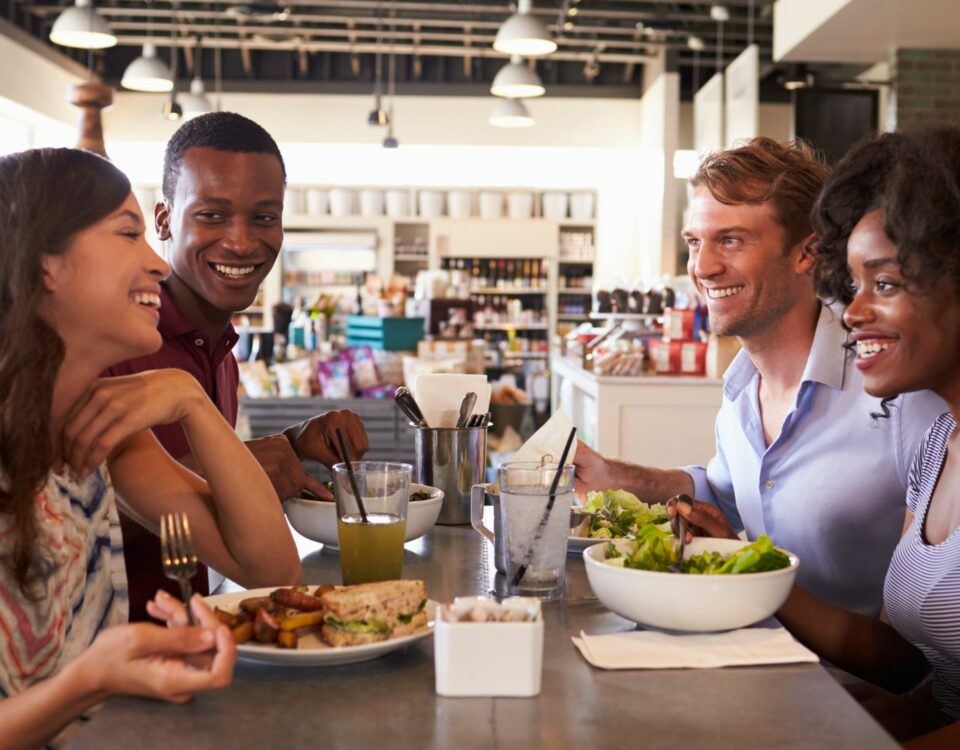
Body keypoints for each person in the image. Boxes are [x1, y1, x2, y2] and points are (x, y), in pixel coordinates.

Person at [0, 147, 301, 749]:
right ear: (45, 263)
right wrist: (88, 681)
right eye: (128, 232)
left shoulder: (95, 431)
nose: (156, 264)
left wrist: (188, 399)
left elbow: (270, 570)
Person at [573, 137, 945, 616]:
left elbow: (920, 641)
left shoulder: (899, 393)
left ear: (806, 253)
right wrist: (613, 476)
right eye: (694, 242)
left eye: (730, 240)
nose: (702, 267)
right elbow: (727, 495)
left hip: (861, 683)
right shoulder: (742, 388)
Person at [104, 112, 368, 619]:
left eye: (264, 218)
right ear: (163, 220)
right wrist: (236, 468)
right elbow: (69, 511)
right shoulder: (115, 341)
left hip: (194, 636)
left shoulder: (221, 346)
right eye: (212, 215)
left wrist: (292, 444)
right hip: (112, 649)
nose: (243, 242)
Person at [753, 128, 960, 748]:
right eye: (853, 284)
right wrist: (749, 574)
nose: (851, 311)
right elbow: (914, 669)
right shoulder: (937, 446)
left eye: (886, 284)